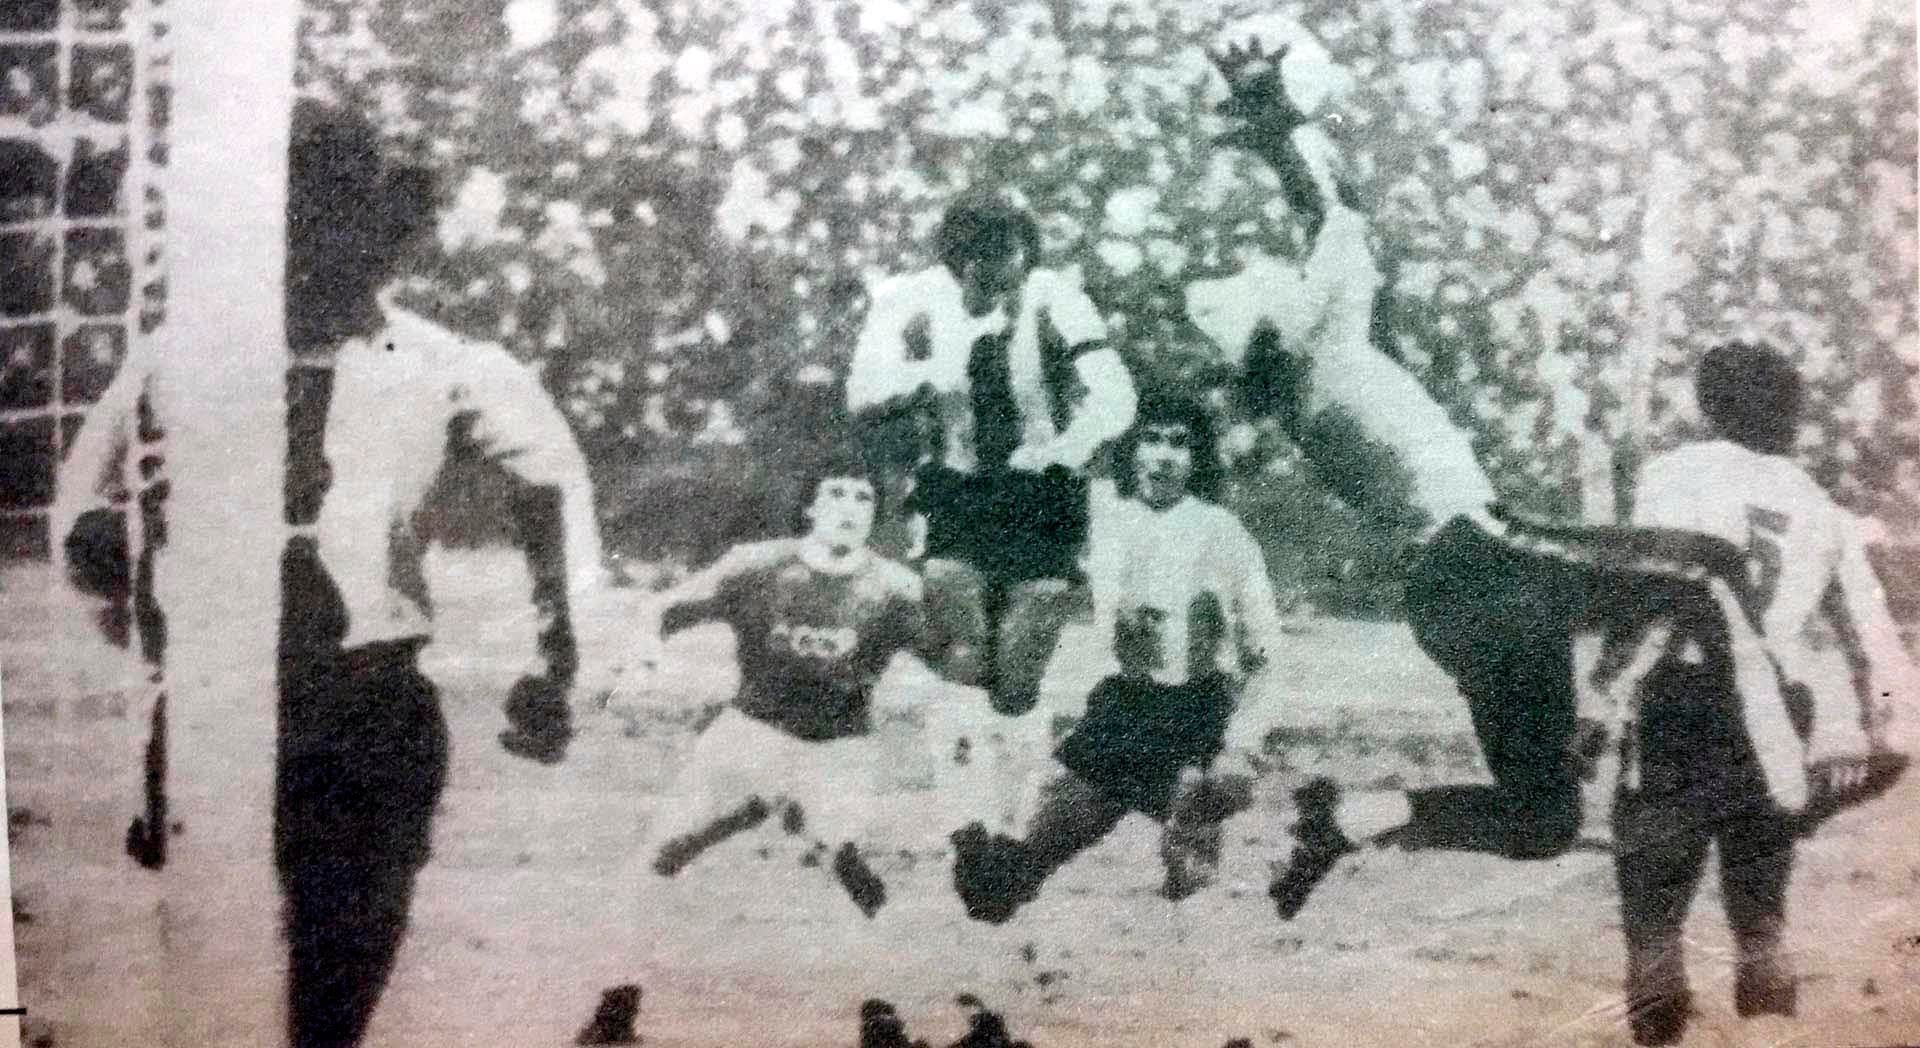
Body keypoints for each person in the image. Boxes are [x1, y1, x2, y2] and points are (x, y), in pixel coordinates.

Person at [273, 99, 615, 1048]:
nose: (319, 249)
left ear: (382, 233)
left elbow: (555, 482)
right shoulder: (188, 354)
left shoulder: (442, 362)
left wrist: (558, 653)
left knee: (331, 985)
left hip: (365, 694)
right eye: (298, 219)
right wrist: (139, 632)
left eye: (345, 221)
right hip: (218, 695)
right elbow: (85, 519)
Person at [1602, 341, 1915, 1044]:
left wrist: (1605, 697)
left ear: (1709, 405)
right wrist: (1888, 740)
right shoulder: (1818, 504)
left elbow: (1648, 594)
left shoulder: (1673, 473)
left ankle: (1658, 1034)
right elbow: (1871, 637)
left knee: (1653, 917)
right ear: (1789, 414)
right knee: (1762, 917)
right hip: (1777, 710)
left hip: (1684, 694)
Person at [948, 394, 1288, 923]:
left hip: (1198, 715)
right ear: (1130, 450)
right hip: (1123, 714)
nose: (1164, 456)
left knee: (1195, 873)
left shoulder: (1223, 533)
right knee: (1004, 884)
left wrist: (1241, 745)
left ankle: (1193, 841)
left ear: (1197, 457)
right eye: (1151, 440)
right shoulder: (1103, 518)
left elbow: (1266, 653)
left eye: (1179, 444)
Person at [619, 456, 974, 918]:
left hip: (839, 745)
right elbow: (663, 610)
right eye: (836, 494)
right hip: (752, 730)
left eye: (863, 498)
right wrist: (643, 660)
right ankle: (617, 952)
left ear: (874, 513)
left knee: (841, 856)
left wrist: (960, 715)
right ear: (810, 507)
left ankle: (877, 949)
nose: (849, 508)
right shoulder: (755, 566)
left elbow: (949, 662)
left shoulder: (895, 588)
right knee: (666, 844)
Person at [846, 196, 1138, 717]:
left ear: (1023, 255)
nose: (994, 274)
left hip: (1042, 494)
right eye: (979, 261)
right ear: (957, 262)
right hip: (958, 489)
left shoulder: (1054, 297)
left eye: (1007, 258)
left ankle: (1008, 734)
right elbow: (861, 392)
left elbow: (1117, 396)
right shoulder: (913, 299)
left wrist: (1061, 449)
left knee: (1016, 681)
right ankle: (961, 746)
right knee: (965, 654)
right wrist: (924, 376)